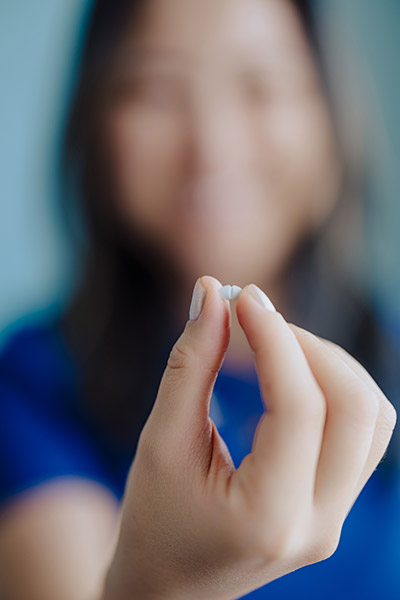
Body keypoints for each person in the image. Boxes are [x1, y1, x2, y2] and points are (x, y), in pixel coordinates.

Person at [0, 0, 398, 598]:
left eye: (260, 85)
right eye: (157, 89)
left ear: (330, 121)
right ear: (96, 120)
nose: (212, 146)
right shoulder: (33, 383)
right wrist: (159, 579)